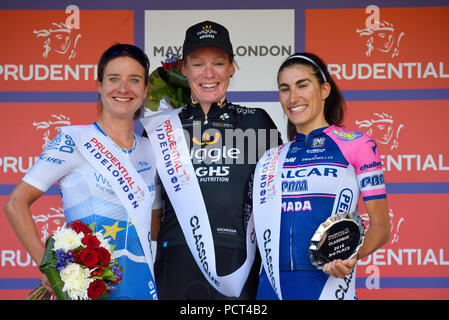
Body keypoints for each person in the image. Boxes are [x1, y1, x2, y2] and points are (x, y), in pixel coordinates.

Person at [4, 44, 160, 300]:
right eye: (113, 79)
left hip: (143, 287)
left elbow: (153, 227)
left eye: (134, 80)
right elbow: (15, 203)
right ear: (99, 86)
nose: (123, 88)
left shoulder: (149, 149)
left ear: (145, 90)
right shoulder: (73, 140)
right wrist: (50, 267)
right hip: (93, 290)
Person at [147, 20, 282, 299]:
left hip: (238, 265)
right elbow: (149, 210)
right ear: (183, 69)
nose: (208, 73)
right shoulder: (162, 129)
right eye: (197, 63)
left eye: (218, 63)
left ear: (232, 67)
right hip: (175, 264)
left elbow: (279, 199)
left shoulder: (257, 122)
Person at [253, 52, 390, 300]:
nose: (293, 97)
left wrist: (351, 256)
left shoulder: (357, 145)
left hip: (327, 286)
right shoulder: (270, 159)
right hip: (271, 288)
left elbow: (381, 226)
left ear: (324, 89)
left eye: (302, 85)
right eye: (285, 89)